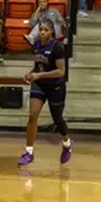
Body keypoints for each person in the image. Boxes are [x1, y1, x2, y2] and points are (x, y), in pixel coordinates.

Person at [18, 18, 72, 166]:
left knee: (57, 119)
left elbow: (61, 72)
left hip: (56, 87)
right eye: (40, 29)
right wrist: (31, 74)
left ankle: (67, 143)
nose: (42, 32)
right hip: (40, 85)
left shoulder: (57, 47)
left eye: (45, 30)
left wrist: (39, 75)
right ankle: (29, 152)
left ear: (51, 32)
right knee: (32, 115)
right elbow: (39, 66)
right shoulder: (36, 45)